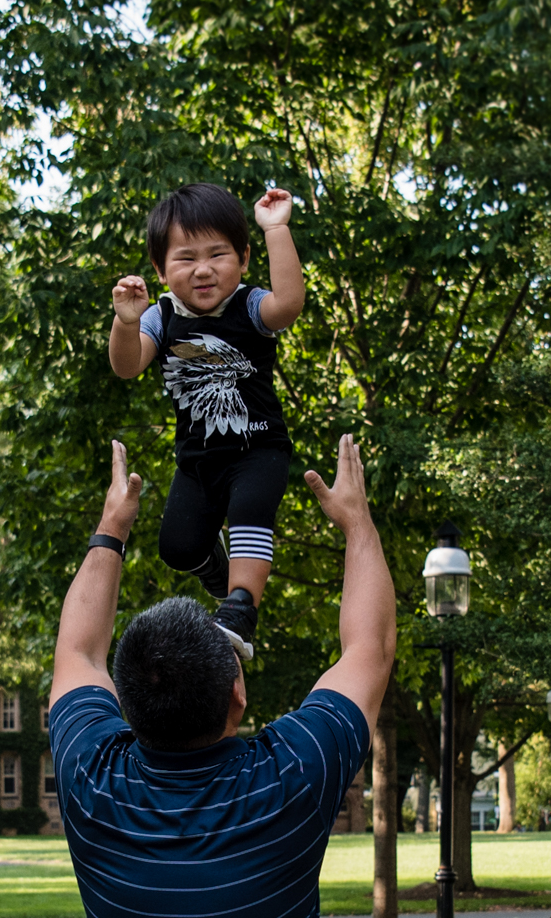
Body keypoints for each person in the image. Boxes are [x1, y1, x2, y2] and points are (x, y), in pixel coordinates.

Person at [49, 435, 395, 918]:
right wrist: (357, 523)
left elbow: (78, 652)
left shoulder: (90, 779)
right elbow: (370, 649)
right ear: (237, 692)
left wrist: (113, 526)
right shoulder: (294, 777)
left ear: (127, 704)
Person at [107, 182, 305, 660]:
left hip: (258, 449)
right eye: (185, 258)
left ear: (243, 258)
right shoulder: (162, 317)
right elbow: (127, 365)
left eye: (218, 255)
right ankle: (218, 573)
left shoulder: (250, 305)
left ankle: (241, 608)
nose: (202, 269)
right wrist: (126, 321)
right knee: (177, 548)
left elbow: (289, 304)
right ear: (159, 268)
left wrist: (277, 230)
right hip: (197, 462)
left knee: (251, 514)